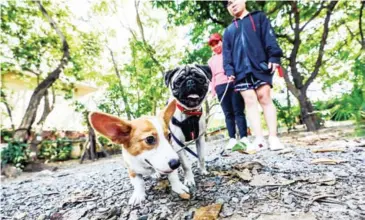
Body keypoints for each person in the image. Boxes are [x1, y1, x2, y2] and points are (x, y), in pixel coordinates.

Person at [222, 0, 285, 151]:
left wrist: (274, 57)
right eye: (228, 4)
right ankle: (259, 139)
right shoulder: (229, 30)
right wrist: (229, 71)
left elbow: (269, 38)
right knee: (249, 101)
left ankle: (273, 137)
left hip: (260, 65)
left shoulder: (259, 18)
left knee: (264, 97)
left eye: (234, 1)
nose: (232, 5)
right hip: (240, 71)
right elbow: (227, 54)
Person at [207, 33, 249, 151]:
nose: (215, 47)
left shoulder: (230, 54)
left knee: (238, 111)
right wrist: (213, 91)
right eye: (212, 45)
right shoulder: (210, 61)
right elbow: (212, 77)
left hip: (233, 83)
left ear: (222, 41)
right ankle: (232, 138)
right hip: (220, 87)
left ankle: (244, 137)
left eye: (217, 43)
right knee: (228, 113)